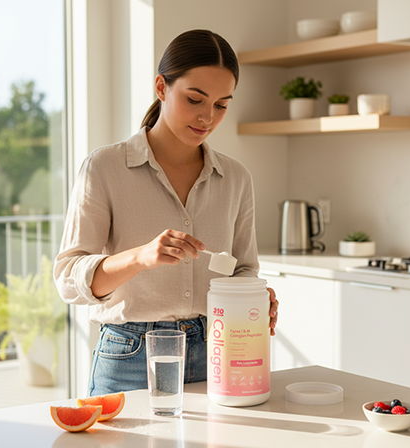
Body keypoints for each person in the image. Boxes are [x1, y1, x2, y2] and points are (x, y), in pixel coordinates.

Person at [53, 29, 279, 397]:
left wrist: (253, 298)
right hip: (129, 357)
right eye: (195, 99)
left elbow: (242, 269)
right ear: (161, 87)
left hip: (217, 350)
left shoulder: (236, 177)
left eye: (222, 105)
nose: (208, 117)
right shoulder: (104, 167)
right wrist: (140, 257)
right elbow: (68, 278)